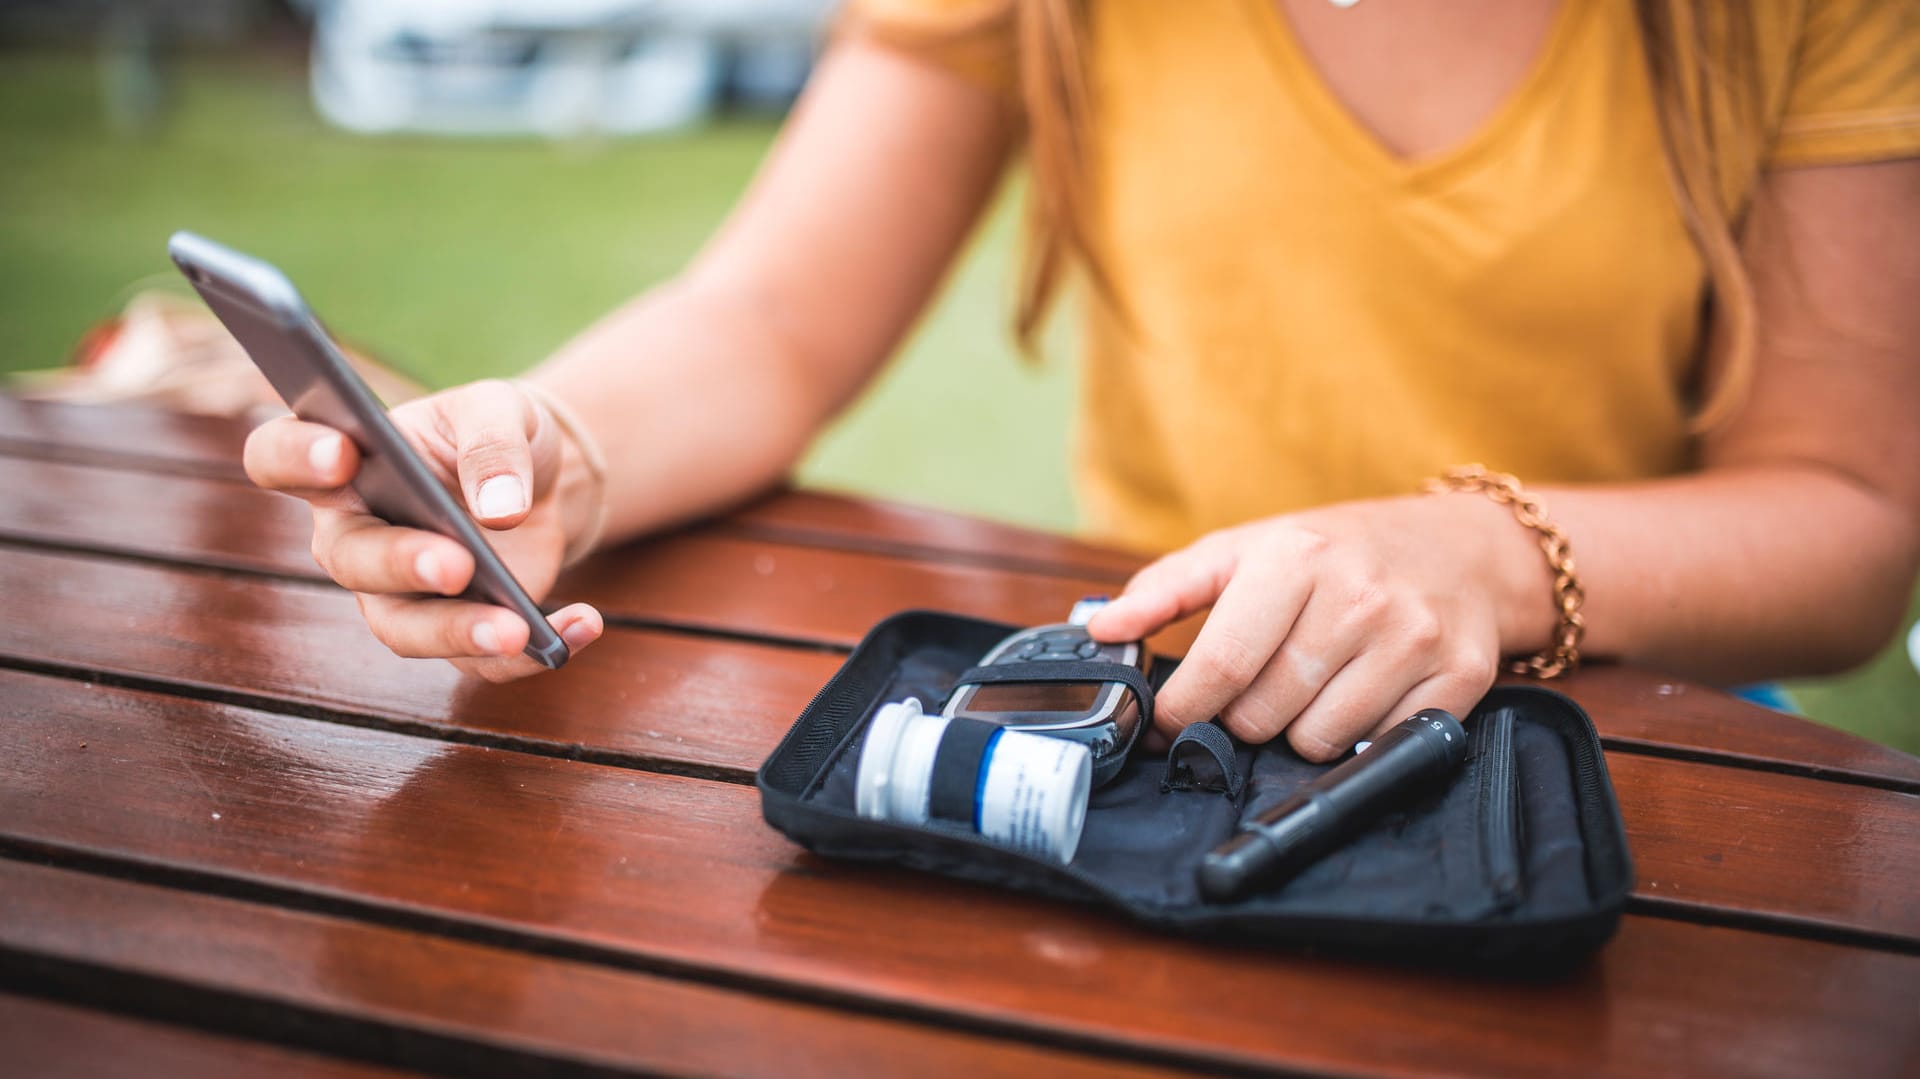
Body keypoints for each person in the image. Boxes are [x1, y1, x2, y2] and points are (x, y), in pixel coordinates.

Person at [244, 0, 1920, 761]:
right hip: (1168, 718)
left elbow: (1849, 528)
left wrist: (1470, 557)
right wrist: (568, 447)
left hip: (1631, 729)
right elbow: (770, 320)